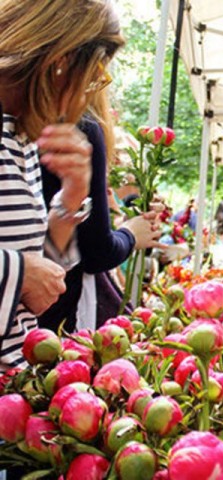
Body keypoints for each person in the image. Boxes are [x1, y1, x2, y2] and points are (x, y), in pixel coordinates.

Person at [0, 0, 126, 373]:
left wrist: (71, 200)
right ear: (62, 61)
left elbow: (39, 287)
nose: (89, 93)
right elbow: (27, 273)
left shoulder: (21, 135)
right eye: (93, 77)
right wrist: (20, 271)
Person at [39, 111, 163, 332]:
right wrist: (131, 235)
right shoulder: (83, 127)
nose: (121, 163)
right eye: (120, 156)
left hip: (45, 312)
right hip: (55, 317)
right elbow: (97, 252)